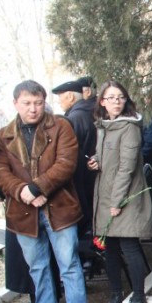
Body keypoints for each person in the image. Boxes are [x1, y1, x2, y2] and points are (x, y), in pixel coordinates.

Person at [0, 80, 90, 303]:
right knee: (37, 265)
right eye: (27, 103)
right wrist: (22, 191)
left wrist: (37, 188)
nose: (33, 109)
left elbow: (66, 163)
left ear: (44, 102)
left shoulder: (61, 126)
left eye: (38, 103)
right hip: (23, 211)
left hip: (59, 206)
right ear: (16, 103)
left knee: (69, 263)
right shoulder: (4, 135)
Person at [87, 80, 152, 303]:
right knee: (111, 247)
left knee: (129, 245)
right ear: (102, 102)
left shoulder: (129, 127)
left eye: (120, 97)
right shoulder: (104, 126)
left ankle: (139, 300)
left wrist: (116, 202)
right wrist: (96, 160)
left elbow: (127, 168)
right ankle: (116, 294)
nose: (116, 101)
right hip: (106, 193)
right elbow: (109, 157)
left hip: (125, 196)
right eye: (111, 97)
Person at [52, 77, 98, 243]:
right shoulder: (92, 111)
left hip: (82, 178)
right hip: (93, 177)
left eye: (61, 97)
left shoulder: (75, 118)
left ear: (70, 96)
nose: (59, 102)